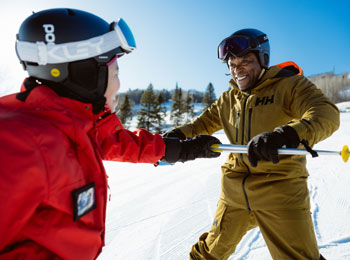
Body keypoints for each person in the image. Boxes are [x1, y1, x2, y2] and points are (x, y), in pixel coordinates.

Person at [0, 8, 221, 259]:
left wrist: (181, 149)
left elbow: (118, 142)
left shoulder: (73, 128)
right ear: (84, 73)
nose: (119, 84)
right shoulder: (19, 143)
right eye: (115, 73)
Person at [164, 28, 340, 260]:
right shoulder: (229, 99)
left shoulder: (289, 85)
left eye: (245, 61)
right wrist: (173, 137)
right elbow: (201, 124)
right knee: (209, 253)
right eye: (232, 64)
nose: (237, 69)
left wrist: (286, 134)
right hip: (234, 193)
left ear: (263, 58)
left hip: (280, 191)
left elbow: (326, 113)